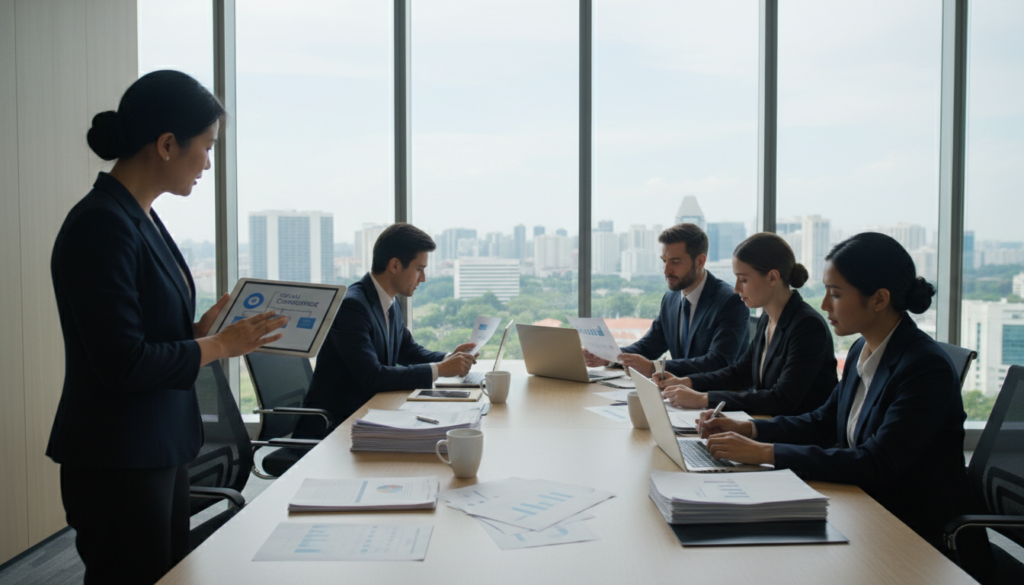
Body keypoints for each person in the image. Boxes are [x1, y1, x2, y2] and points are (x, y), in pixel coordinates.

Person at [47, 70, 287, 584]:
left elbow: (147, 332)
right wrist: (219, 345)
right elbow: (122, 361)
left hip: (157, 446)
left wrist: (201, 330)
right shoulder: (100, 225)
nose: (207, 162)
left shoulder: (140, 216)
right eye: (207, 147)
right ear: (166, 144)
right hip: (119, 458)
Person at [695, 232, 969, 548]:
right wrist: (748, 428)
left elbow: (874, 463)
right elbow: (821, 421)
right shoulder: (860, 350)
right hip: (863, 507)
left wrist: (765, 452)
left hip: (914, 534)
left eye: (835, 294)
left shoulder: (924, 368)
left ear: (880, 299)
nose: (824, 304)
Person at [294, 223, 478, 438]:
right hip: (336, 428)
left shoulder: (388, 302)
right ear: (395, 265)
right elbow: (372, 376)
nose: (423, 278)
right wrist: (440, 369)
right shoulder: (352, 307)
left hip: (370, 415)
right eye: (419, 269)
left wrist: (450, 358)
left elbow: (408, 350)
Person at [656, 233, 837, 416]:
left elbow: (781, 399)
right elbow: (740, 373)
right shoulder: (768, 318)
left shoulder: (807, 326)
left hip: (795, 439)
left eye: (743, 280)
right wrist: (686, 382)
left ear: (773, 277)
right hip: (768, 425)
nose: (736, 289)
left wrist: (704, 399)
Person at [583, 223, 749, 377]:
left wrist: (654, 368)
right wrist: (609, 356)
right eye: (664, 261)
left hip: (717, 400)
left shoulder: (730, 302)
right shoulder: (671, 298)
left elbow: (718, 362)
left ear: (700, 261)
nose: (666, 270)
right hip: (677, 395)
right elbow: (648, 347)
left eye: (675, 262)